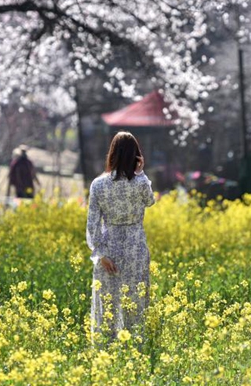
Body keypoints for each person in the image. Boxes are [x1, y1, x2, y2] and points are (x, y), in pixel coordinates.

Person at [86, 131, 155, 343]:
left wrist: (100, 254)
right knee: (136, 301)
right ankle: (136, 348)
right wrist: (141, 174)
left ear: (112, 154)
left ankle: (105, 350)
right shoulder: (140, 183)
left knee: (107, 303)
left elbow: (92, 224)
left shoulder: (98, 184)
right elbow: (150, 202)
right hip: (136, 247)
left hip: (110, 249)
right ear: (136, 156)